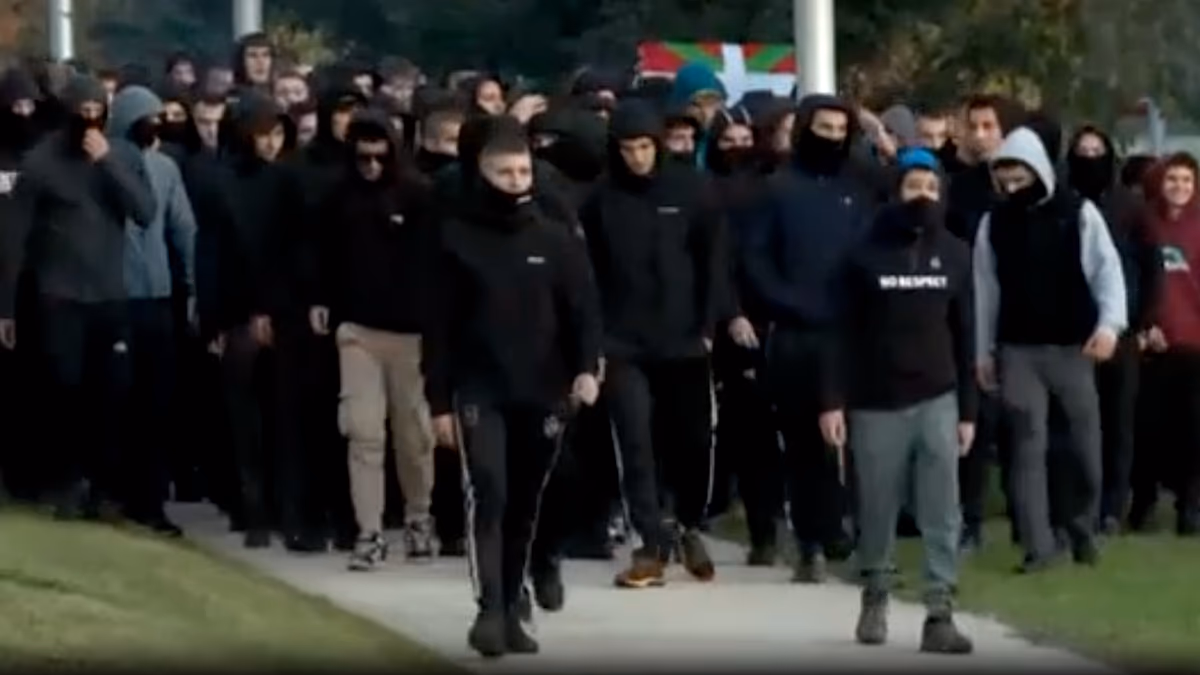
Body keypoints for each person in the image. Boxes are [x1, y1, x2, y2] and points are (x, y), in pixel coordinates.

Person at [422, 128, 602, 658]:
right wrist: (438, 402)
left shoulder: (556, 239)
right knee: (490, 492)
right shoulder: (455, 236)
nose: (516, 182)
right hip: (480, 387)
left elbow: (583, 312)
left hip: (544, 389)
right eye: (505, 173)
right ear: (482, 173)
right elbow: (439, 327)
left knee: (527, 502)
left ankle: (515, 598)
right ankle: (490, 608)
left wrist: (587, 368)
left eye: (523, 172)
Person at [820, 148, 974, 654]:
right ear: (895, 192)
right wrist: (832, 400)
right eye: (913, 187)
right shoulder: (861, 254)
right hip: (874, 400)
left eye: (931, 188)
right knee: (877, 507)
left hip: (939, 397)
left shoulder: (956, 252)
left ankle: (939, 613)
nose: (923, 197)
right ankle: (876, 594)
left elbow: (966, 333)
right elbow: (839, 331)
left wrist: (969, 411)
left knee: (942, 511)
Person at [581, 100, 727, 589]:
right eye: (627, 149)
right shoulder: (600, 198)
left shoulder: (693, 188)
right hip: (624, 341)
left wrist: (708, 326)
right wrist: (595, 339)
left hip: (685, 337)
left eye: (645, 147)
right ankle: (650, 540)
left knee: (692, 442)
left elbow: (713, 259)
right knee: (635, 442)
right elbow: (588, 274)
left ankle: (687, 523)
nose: (637, 158)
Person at [0, 74, 157, 518]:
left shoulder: (119, 155)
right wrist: (6, 308)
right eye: (82, 112)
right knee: (64, 391)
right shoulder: (39, 163)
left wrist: (108, 162)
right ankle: (66, 483)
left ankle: (106, 488)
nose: (90, 121)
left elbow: (144, 211)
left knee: (111, 394)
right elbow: (14, 240)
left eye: (97, 112)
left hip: (109, 296)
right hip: (59, 296)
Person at [974, 126, 1127, 573]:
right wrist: (983, 352)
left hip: (1073, 347)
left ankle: (1080, 525)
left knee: (1083, 447)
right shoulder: (993, 222)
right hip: (1018, 350)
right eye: (1004, 178)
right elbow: (987, 290)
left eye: (1018, 176)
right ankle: (1039, 547)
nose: (1010, 186)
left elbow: (1107, 271)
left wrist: (1110, 325)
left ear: (1038, 170)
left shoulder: (1079, 213)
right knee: (1027, 446)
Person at [742, 93, 874, 582]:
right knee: (802, 442)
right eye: (825, 127)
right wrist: (788, 302)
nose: (833, 138)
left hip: (852, 331)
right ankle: (810, 542)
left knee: (859, 441)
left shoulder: (859, 190)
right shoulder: (777, 188)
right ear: (805, 128)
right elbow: (755, 258)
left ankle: (855, 534)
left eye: (842, 130)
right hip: (796, 332)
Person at [310, 109, 439, 568]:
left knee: (413, 435)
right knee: (362, 432)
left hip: (411, 332)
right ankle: (369, 531)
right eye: (362, 158)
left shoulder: (420, 196)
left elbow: (436, 263)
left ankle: (419, 518)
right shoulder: (337, 197)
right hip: (358, 330)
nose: (370, 167)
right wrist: (322, 300)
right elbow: (323, 253)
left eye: (379, 158)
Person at [105, 85, 198, 535]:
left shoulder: (165, 169)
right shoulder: (103, 166)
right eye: (149, 118)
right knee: (120, 400)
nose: (157, 126)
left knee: (158, 404)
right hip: (116, 299)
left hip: (158, 298)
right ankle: (119, 493)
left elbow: (185, 230)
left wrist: (196, 287)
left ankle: (152, 500)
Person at [1065, 126, 1158, 535]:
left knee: (1118, 422)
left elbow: (1150, 266)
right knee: (1076, 423)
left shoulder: (1130, 206)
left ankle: (1111, 507)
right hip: (1071, 331)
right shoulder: (1063, 203)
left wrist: (1141, 323)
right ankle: (1077, 502)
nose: (1089, 157)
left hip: (1121, 332)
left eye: (1096, 150)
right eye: (1081, 151)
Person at [1133, 153, 1199, 536]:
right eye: (1173, 179)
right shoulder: (1146, 224)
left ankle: (1190, 508)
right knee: (1148, 430)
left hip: (1194, 343)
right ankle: (1142, 505)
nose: (1179, 187)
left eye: (1187, 180)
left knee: (1193, 431)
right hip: (1154, 343)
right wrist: (1146, 324)